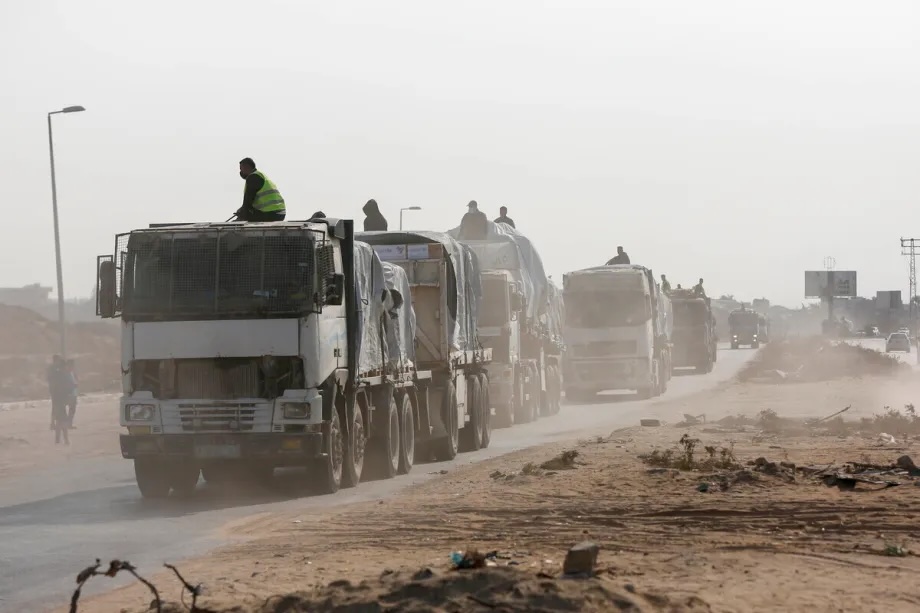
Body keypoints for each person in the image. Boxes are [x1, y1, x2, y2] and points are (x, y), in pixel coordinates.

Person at [234, 157, 286, 222]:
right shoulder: (260, 175)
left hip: (271, 214)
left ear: (247, 167)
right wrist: (242, 209)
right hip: (280, 213)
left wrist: (241, 214)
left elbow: (247, 203)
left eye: (241, 169)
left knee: (244, 216)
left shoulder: (253, 178)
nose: (241, 172)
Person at [46, 355, 71, 445]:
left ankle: (58, 439)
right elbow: (65, 388)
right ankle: (65, 439)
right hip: (60, 399)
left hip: (56, 398)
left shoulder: (55, 373)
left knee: (59, 420)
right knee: (62, 420)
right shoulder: (62, 375)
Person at [65, 359, 78, 428]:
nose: (72, 367)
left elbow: (75, 381)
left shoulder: (72, 373)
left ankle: (69, 423)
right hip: (69, 393)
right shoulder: (66, 374)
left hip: (74, 393)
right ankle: (68, 424)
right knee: (71, 409)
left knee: (73, 409)